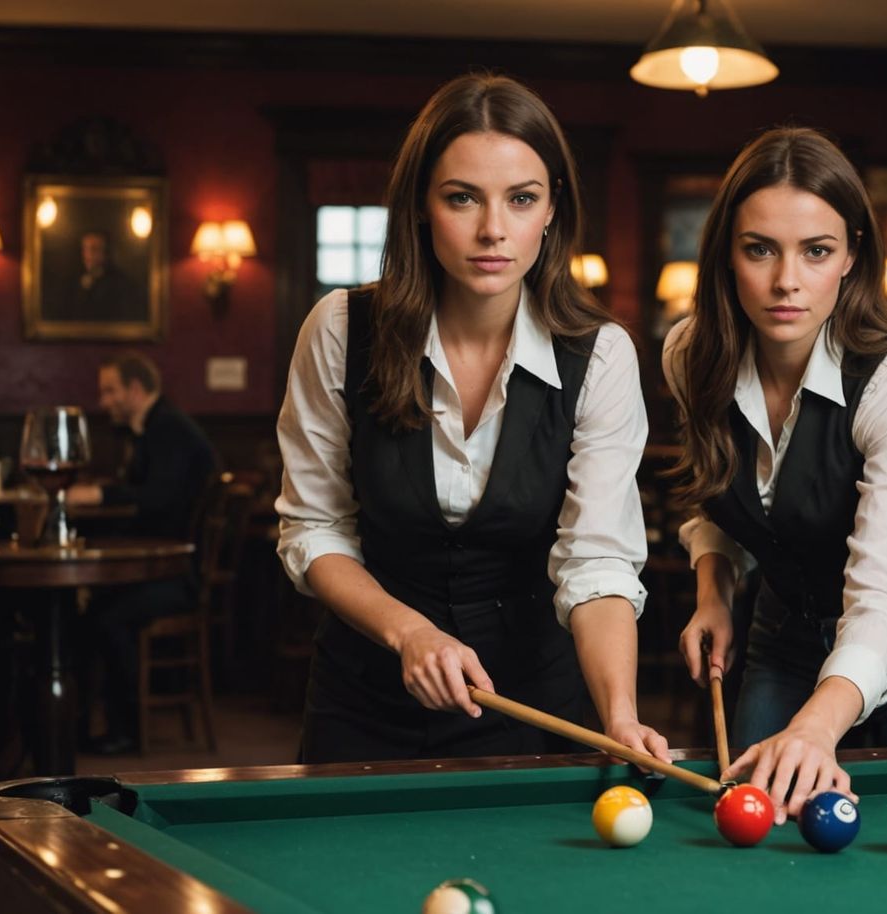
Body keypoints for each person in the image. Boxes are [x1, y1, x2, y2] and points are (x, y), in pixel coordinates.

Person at [275, 73, 669, 765]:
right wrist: (408, 632)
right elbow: (314, 528)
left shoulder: (601, 355)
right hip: (364, 700)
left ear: (552, 210)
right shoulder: (340, 329)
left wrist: (619, 715)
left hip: (532, 702)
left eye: (522, 199)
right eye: (462, 197)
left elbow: (597, 561)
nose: (493, 229)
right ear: (420, 206)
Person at [666, 128, 887, 823]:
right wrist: (713, 592)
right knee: (755, 825)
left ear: (851, 256)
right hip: (785, 631)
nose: (786, 280)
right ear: (725, 254)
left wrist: (816, 728)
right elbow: (716, 496)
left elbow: (879, 602)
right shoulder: (690, 357)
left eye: (816, 251)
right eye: (760, 249)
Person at [67, 352, 217, 753]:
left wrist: (98, 495)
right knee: (86, 609)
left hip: (180, 577)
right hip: (163, 569)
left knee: (105, 616)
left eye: (110, 391)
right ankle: (79, 725)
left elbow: (157, 498)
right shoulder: (152, 427)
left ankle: (125, 733)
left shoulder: (168, 428)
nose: (103, 401)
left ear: (135, 390)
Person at [63, 229, 145, 323]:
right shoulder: (72, 281)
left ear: (105, 252)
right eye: (85, 249)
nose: (88, 255)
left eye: (94, 249)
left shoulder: (120, 283)